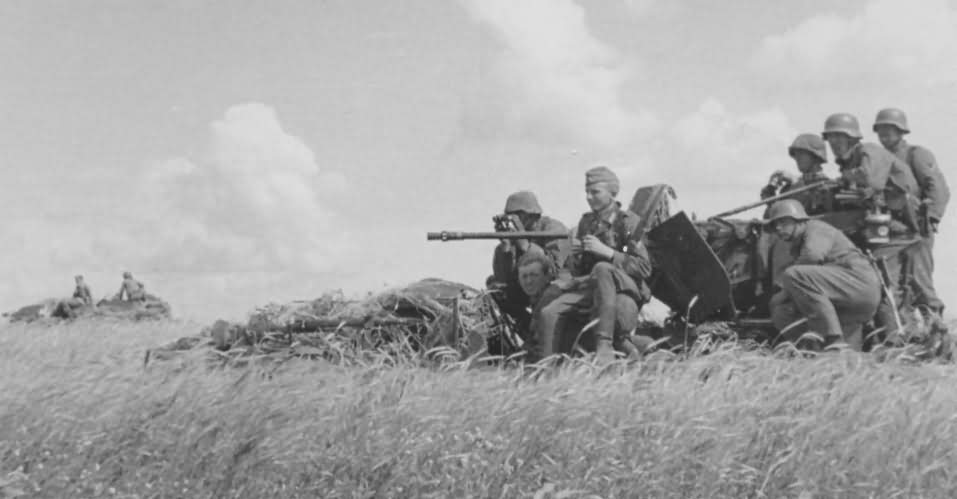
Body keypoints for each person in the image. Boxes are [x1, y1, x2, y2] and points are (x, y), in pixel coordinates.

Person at [528, 166, 653, 363]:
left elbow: (643, 267)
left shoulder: (628, 223)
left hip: (624, 285)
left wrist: (608, 253)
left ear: (612, 193)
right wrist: (577, 255)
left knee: (602, 268)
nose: (588, 197)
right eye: (587, 192)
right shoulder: (587, 222)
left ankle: (604, 345)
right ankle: (545, 366)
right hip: (593, 285)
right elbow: (577, 268)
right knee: (549, 312)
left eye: (595, 192)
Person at [821, 112, 921, 338]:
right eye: (831, 139)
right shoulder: (854, 159)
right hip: (882, 226)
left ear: (852, 137)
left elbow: (872, 180)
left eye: (839, 137)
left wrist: (844, 178)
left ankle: (896, 341)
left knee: (884, 281)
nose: (834, 144)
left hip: (898, 228)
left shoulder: (869, 151)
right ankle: (880, 337)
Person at [766, 200, 881, 351]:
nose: (779, 228)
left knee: (792, 274)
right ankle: (812, 349)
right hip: (845, 300)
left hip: (858, 285)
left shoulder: (816, 229)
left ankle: (832, 339)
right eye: (775, 225)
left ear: (800, 220)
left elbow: (812, 256)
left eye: (784, 222)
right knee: (781, 310)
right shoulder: (798, 243)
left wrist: (782, 290)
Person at [872, 108, 950, 319]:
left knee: (919, 280)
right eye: (880, 130)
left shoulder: (916, 154)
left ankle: (937, 331)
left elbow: (938, 187)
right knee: (894, 283)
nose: (884, 135)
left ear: (901, 131)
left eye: (889, 130)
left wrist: (931, 217)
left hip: (917, 226)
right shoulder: (879, 160)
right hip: (892, 229)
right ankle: (909, 335)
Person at [757, 134, 837, 298]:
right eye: (796, 155)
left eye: (802, 155)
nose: (797, 159)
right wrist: (771, 193)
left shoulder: (825, 185)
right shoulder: (794, 186)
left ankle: (777, 291)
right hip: (786, 231)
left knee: (778, 241)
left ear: (815, 157)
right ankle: (761, 288)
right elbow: (774, 213)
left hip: (807, 235)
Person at [487, 191, 570, 340]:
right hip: (529, 289)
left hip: (557, 289)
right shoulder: (514, 238)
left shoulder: (553, 229)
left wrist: (525, 245)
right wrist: (506, 247)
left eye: (515, 215)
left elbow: (553, 270)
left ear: (530, 214)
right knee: (495, 286)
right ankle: (528, 333)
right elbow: (504, 279)